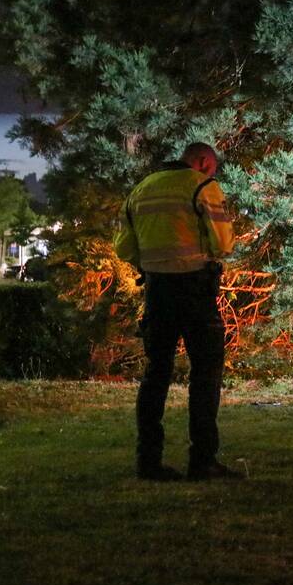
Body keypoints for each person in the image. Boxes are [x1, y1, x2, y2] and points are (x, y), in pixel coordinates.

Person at [114, 142, 237, 481]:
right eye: (210, 167)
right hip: (196, 289)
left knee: (156, 374)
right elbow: (223, 245)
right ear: (201, 161)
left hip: (157, 291)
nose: (211, 173)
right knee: (206, 374)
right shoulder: (202, 186)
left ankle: (148, 462)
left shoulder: (141, 189)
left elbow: (124, 247)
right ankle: (203, 461)